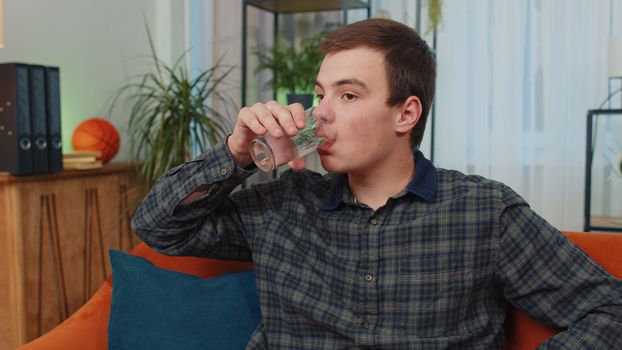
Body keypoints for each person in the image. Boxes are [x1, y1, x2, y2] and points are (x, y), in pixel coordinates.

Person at [132, 18, 622, 349]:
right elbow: (159, 227)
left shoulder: (484, 213)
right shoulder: (281, 204)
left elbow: (608, 310)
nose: (320, 112)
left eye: (348, 95)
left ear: (406, 113)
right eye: (321, 93)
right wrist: (235, 155)